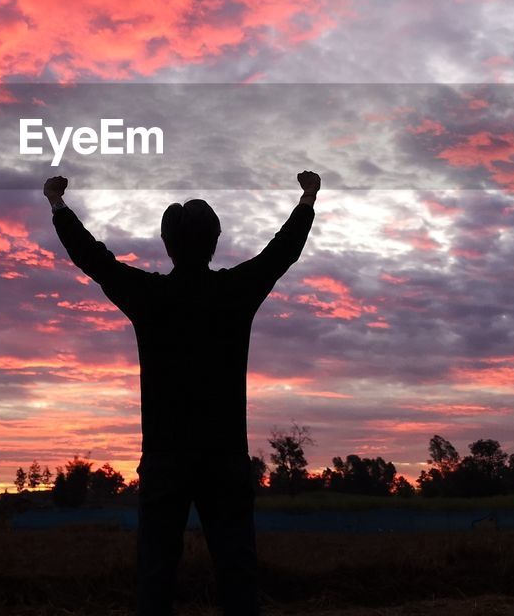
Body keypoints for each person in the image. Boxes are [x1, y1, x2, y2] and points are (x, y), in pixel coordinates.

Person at [44, 171, 320, 616]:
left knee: (155, 576)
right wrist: (307, 198)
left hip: (165, 458)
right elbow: (281, 252)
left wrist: (56, 203)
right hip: (225, 456)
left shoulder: (148, 295)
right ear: (215, 241)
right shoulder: (235, 291)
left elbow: (92, 258)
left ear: (167, 244)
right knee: (237, 575)